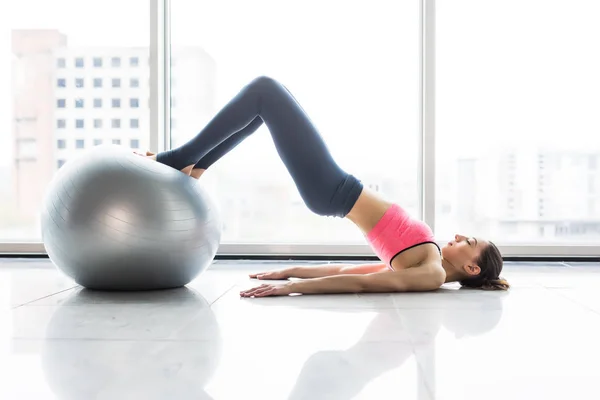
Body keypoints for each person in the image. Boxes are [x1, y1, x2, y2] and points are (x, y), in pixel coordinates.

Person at [136, 75, 510, 297]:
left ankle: (179, 159)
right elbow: (350, 272)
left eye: (469, 243)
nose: (460, 236)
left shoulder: (432, 273)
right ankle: (195, 165)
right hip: (334, 188)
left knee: (265, 90)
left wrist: (291, 289)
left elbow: (362, 287)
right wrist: (290, 272)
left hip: (333, 189)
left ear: (473, 270)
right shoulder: (431, 261)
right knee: (263, 106)